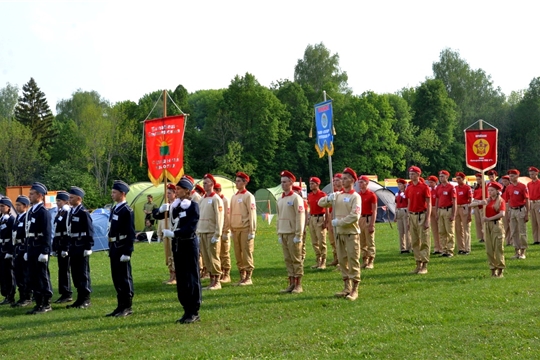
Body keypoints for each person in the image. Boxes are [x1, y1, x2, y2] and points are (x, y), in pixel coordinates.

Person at [161, 176, 201, 324]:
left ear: (187, 191)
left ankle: (194, 310)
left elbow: (190, 227)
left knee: (191, 277)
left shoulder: (193, 206)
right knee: (182, 279)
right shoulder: (175, 206)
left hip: (189, 244)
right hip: (177, 245)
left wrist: (174, 233)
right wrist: (160, 210)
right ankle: (185, 309)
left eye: (178, 189)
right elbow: (157, 216)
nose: (176, 191)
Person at [319, 167, 362, 301]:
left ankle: (355, 289)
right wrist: (329, 198)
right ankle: (346, 287)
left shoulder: (355, 196)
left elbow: (355, 215)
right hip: (339, 234)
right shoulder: (338, 195)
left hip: (351, 233)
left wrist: (340, 222)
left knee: (353, 260)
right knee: (342, 261)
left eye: (345, 179)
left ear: (352, 180)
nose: (342, 181)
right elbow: (320, 203)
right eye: (341, 179)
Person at [106, 180, 136, 317]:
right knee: (116, 277)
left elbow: (130, 233)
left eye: (114, 192)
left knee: (124, 277)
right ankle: (120, 305)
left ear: (122, 194)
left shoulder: (126, 211)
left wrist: (127, 251)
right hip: (114, 247)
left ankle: (127, 306)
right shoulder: (115, 208)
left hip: (122, 246)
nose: (112, 194)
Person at [276, 171, 306, 294]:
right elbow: (278, 217)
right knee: (288, 259)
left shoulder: (296, 198)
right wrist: (278, 232)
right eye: (281, 182)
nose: (282, 184)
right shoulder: (280, 199)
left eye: (285, 182)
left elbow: (300, 217)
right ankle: (291, 282)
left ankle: (298, 284)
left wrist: (299, 234)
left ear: (291, 183)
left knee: (296, 259)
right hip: (283, 232)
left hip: (293, 233)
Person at [26, 182, 53, 314]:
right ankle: (38, 302)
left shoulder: (43, 212)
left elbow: (47, 233)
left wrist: (45, 251)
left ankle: (46, 303)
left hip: (39, 247)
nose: (29, 196)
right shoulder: (31, 211)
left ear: (40, 196)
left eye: (32, 194)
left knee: (42, 275)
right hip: (32, 247)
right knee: (34, 276)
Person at [65, 186, 94, 309]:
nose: (69, 200)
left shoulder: (83, 212)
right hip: (73, 245)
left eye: (71, 198)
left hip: (81, 245)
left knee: (82, 273)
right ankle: (79, 298)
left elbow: (89, 230)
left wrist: (88, 246)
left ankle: (86, 299)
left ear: (79, 198)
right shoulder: (72, 211)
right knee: (75, 273)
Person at [196, 174, 224, 290]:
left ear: (212, 184)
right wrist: (197, 232)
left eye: (206, 183)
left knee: (213, 257)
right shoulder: (202, 199)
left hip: (211, 232)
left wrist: (217, 234)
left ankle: (217, 281)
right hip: (202, 231)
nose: (204, 185)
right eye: (203, 183)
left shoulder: (216, 199)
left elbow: (219, 217)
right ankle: (211, 280)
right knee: (206, 258)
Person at [230, 172, 257, 285]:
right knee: (238, 253)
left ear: (245, 182)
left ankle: (248, 277)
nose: (236, 183)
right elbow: (231, 213)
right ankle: (242, 275)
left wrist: (252, 230)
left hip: (245, 228)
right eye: (236, 181)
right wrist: (231, 228)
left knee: (246, 252)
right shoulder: (234, 196)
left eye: (239, 181)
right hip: (235, 229)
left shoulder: (248, 196)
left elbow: (252, 213)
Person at [405, 166, 431, 274]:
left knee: (424, 240)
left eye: (413, 174)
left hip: (422, 215)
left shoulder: (424, 187)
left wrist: (427, 219)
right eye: (410, 174)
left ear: (418, 174)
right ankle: (418, 263)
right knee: (414, 241)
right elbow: (409, 202)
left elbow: (429, 203)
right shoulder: (409, 187)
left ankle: (424, 265)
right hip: (412, 215)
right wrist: (408, 218)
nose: (411, 176)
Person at [478, 181, 506, 277]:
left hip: (496, 225)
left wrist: (489, 218)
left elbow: (502, 214)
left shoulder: (500, 201)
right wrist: (480, 202)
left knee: (498, 248)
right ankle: (492, 269)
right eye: (489, 190)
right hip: (487, 226)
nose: (490, 192)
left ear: (497, 191)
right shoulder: (487, 201)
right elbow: (473, 204)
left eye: (492, 190)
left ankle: (500, 270)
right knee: (489, 249)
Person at [51, 191, 73, 304]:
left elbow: (68, 232)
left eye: (59, 201)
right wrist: (54, 247)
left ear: (65, 201)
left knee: (65, 269)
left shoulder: (67, 212)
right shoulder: (60, 213)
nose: (57, 203)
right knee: (62, 269)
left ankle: (67, 293)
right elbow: (56, 231)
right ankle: (63, 292)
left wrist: (66, 248)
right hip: (59, 243)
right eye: (57, 201)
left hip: (64, 243)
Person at [11, 196, 32, 307]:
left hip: (24, 246)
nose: (17, 207)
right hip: (17, 247)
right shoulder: (18, 218)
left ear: (25, 206)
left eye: (19, 205)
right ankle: (22, 296)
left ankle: (27, 297)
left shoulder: (26, 218)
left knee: (25, 274)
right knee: (18, 273)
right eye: (16, 204)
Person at [156, 183, 177, 285]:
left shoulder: (177, 205)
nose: (167, 195)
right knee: (168, 255)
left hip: (173, 233)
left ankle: (175, 276)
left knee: (174, 255)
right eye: (166, 193)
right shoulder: (165, 205)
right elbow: (160, 219)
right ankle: (171, 274)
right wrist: (159, 234)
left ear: (174, 193)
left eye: (169, 193)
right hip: (166, 233)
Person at [506, 169, 529, 259]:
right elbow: (508, 200)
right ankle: (516, 251)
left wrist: (527, 213)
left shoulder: (522, 186)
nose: (510, 178)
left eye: (512, 176)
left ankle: (523, 251)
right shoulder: (509, 187)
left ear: (517, 176)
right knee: (514, 231)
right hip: (512, 210)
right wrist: (508, 212)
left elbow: (527, 199)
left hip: (520, 210)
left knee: (522, 231)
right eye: (510, 176)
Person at [307, 177, 327, 269]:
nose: (310, 185)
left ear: (317, 184)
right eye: (310, 184)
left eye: (312, 183)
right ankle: (318, 259)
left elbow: (327, 208)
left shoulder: (322, 195)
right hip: (312, 218)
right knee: (314, 241)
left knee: (321, 240)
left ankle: (323, 260)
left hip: (320, 218)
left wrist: (326, 221)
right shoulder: (310, 195)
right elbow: (309, 207)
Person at [435, 170, 456, 257]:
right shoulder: (438, 187)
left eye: (442, 176)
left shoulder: (451, 187)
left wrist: (453, 214)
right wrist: (436, 212)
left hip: (448, 209)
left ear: (447, 177)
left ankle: (450, 250)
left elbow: (454, 201)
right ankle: (444, 249)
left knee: (449, 231)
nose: (441, 178)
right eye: (440, 176)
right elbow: (437, 200)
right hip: (440, 210)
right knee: (441, 231)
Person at [358, 176, 377, 269]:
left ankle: (371, 260)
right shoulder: (358, 195)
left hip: (368, 218)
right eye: (359, 182)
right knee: (362, 241)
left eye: (362, 182)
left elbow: (374, 210)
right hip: (360, 218)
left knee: (370, 241)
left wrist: (372, 224)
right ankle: (364, 259)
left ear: (366, 183)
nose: (360, 184)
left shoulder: (371, 195)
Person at [0, 197, 16, 305]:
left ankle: (11, 295)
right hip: (1, 247)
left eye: (2, 206)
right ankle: (5, 294)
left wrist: (10, 251)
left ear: (8, 207)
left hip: (7, 248)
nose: (1, 208)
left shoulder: (11, 219)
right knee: (2, 273)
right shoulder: (1, 218)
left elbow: (12, 236)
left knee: (9, 273)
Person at [215, 183, 231, 283]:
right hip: (217, 230)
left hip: (224, 230)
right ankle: (220, 271)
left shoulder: (225, 200)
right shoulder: (216, 199)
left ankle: (227, 274)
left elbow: (226, 217)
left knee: (225, 253)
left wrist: (226, 231)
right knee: (218, 253)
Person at [326, 173, 343, 266]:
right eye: (334, 181)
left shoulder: (343, 193)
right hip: (332, 218)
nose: (335, 183)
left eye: (337, 180)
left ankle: (342, 261)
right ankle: (336, 258)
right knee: (332, 241)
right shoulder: (333, 193)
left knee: (340, 241)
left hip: (339, 218)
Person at [454, 172, 472, 255]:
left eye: (459, 178)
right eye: (457, 178)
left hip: (464, 207)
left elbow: (470, 200)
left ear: (463, 179)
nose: (457, 180)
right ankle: (461, 247)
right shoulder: (455, 188)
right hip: (457, 207)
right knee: (458, 229)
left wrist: (469, 213)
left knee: (466, 228)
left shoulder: (467, 188)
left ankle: (467, 248)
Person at [394, 178, 411, 253]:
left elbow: (409, 203)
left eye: (400, 184)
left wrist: (408, 212)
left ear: (404, 185)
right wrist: (395, 214)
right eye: (398, 184)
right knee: (401, 231)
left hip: (405, 210)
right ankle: (402, 247)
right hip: (399, 211)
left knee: (407, 230)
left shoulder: (407, 193)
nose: (399, 186)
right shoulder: (397, 194)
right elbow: (396, 204)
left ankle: (408, 247)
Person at [427, 176, 441, 254]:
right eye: (429, 182)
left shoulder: (437, 189)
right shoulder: (429, 190)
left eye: (431, 182)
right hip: (431, 208)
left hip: (437, 208)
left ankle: (442, 247)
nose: (430, 184)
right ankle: (436, 248)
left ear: (435, 182)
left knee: (440, 229)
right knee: (434, 229)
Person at [472, 173, 487, 243]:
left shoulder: (485, 187)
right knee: (478, 222)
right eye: (477, 179)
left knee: (483, 221)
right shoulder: (477, 188)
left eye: (479, 179)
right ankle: (481, 236)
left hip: (482, 206)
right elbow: (474, 196)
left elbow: (486, 197)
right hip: (476, 206)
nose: (478, 180)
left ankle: (485, 236)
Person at [527, 167, 540, 245]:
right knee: (533, 222)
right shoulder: (529, 184)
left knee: (539, 221)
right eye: (530, 174)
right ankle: (536, 240)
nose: (531, 175)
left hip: (538, 202)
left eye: (532, 174)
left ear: (536, 173)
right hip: (531, 203)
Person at [501, 175, 512, 246]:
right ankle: (507, 240)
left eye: (506, 181)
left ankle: (512, 240)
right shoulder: (502, 189)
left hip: (510, 205)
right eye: (503, 181)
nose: (504, 182)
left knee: (512, 224)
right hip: (504, 205)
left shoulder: (511, 188)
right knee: (506, 224)